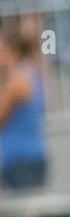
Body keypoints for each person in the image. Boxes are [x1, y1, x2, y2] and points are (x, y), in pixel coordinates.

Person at [0, 23, 48, 191]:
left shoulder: (16, 81)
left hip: (20, 161)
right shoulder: (33, 73)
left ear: (12, 51)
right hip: (32, 156)